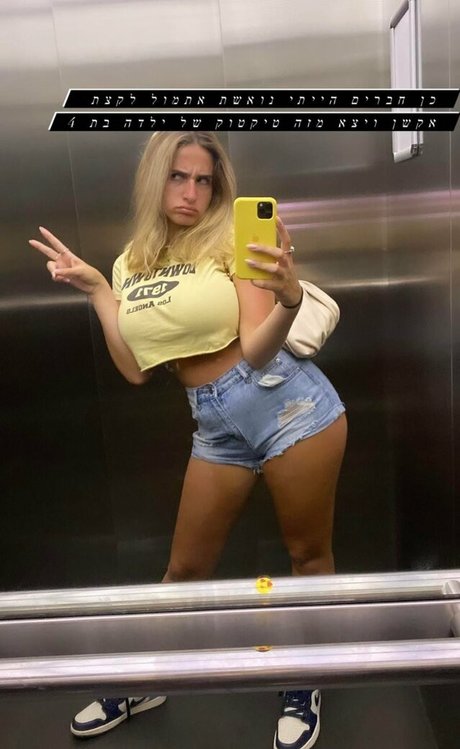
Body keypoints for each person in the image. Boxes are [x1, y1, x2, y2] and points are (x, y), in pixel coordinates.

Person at [29, 131, 347, 749]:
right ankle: (146, 678)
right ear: (156, 179)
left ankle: (306, 679)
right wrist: (99, 291)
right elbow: (135, 369)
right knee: (185, 567)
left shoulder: (233, 238)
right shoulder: (130, 262)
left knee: (307, 558)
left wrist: (286, 299)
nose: (192, 192)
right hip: (215, 426)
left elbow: (257, 349)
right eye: (178, 176)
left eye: (204, 180)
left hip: (290, 406)